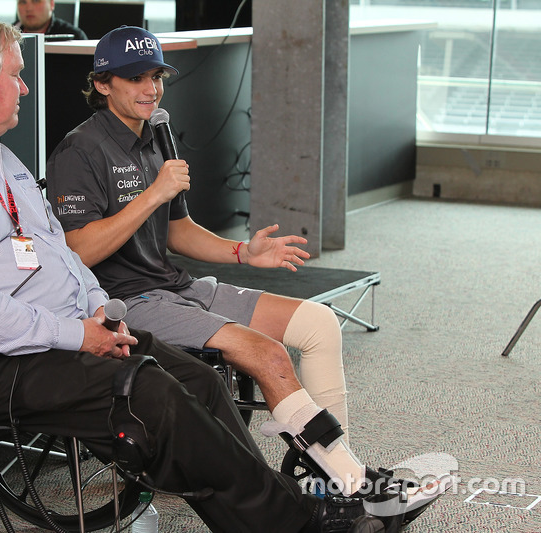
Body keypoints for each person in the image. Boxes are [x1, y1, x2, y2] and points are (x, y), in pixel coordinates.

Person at [0, 6, 404, 532]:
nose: (26, 87)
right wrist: (79, 333)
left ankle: (285, 508)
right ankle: (298, 520)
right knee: (154, 396)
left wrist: (98, 307)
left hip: (53, 327)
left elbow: (57, 252)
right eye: (17, 76)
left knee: (197, 380)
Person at [45, 25, 450, 510]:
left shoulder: (155, 137)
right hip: (126, 302)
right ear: (103, 84)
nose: (150, 88)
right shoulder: (80, 149)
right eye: (135, 78)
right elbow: (78, 251)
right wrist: (154, 192)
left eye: (156, 76)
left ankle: (333, 469)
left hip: (177, 285)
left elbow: (179, 230)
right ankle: (350, 485)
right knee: (269, 354)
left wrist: (244, 253)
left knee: (320, 324)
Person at [14, 0, 87, 39]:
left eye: (36, 1)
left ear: (52, 4)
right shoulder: (5, 36)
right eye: (23, 2)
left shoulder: (74, 37)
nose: (28, 8)